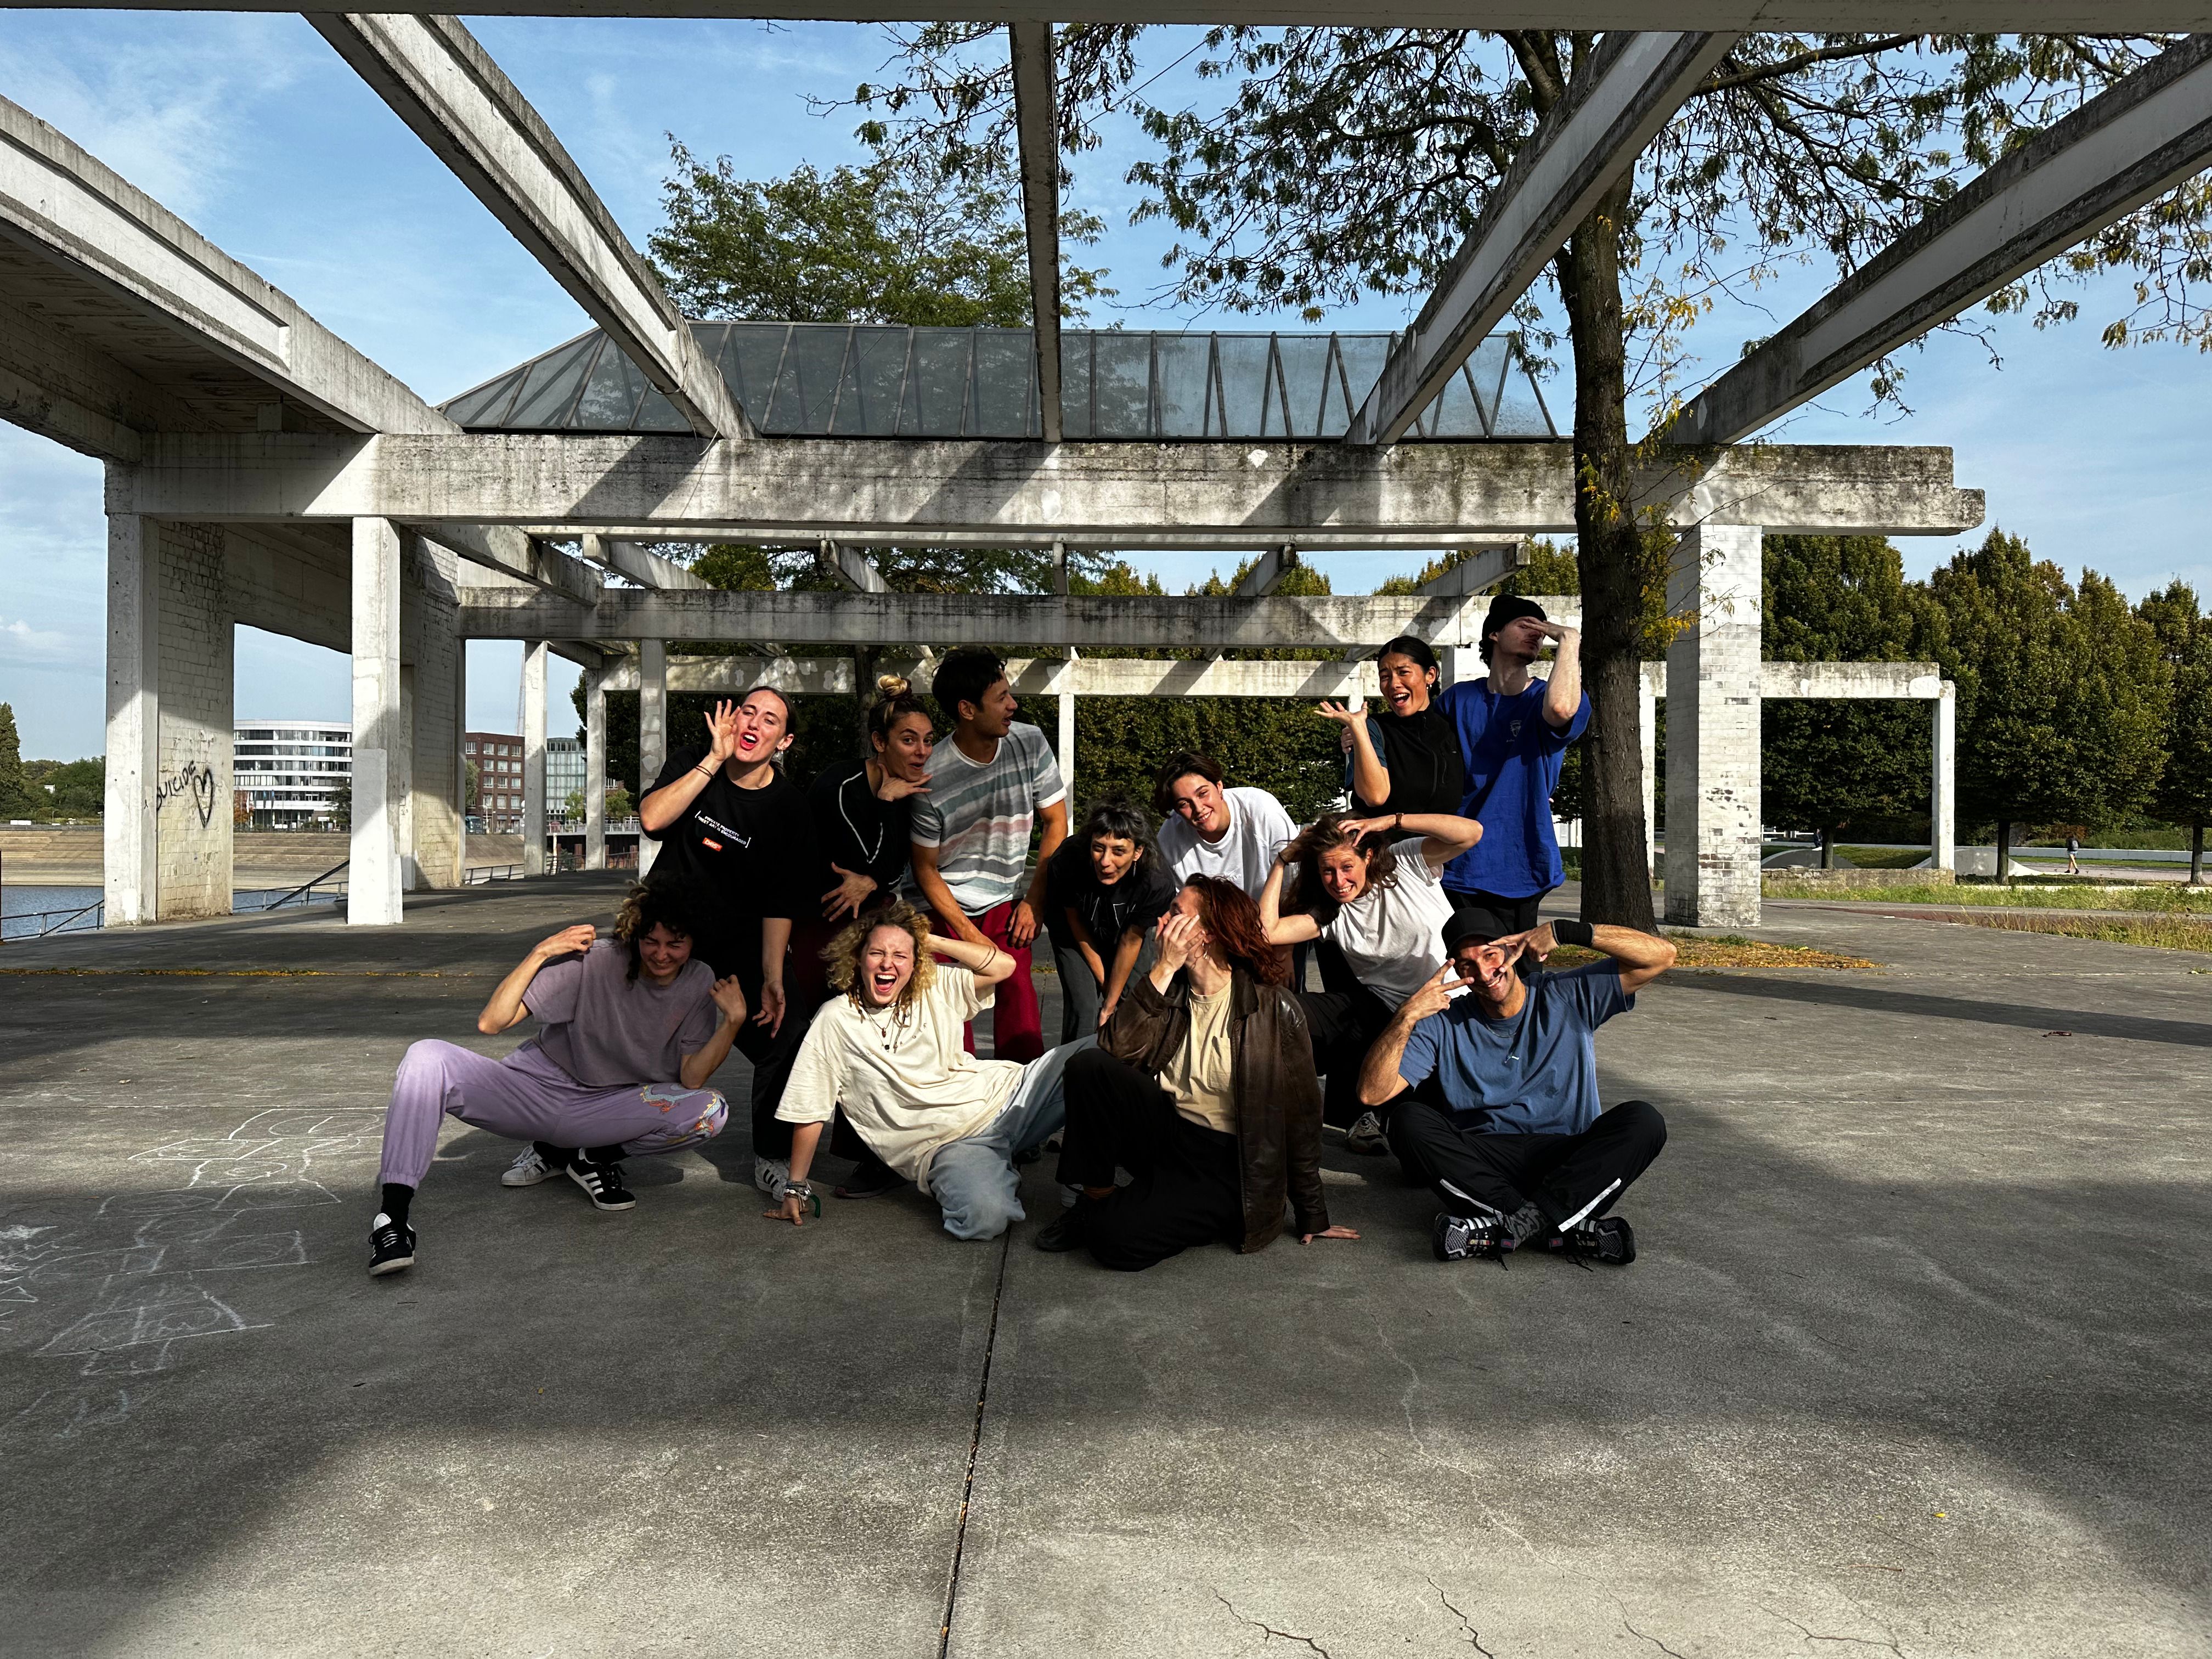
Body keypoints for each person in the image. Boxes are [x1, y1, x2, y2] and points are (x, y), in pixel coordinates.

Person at [366, 884, 746, 1277]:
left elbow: (692, 1077)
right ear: (635, 935)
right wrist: (541, 952)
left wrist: (733, 1022)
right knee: (427, 1055)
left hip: (606, 1110)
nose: (661, 954)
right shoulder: (597, 961)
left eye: (675, 944)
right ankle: (392, 1220)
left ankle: (588, 1157)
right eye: (651, 941)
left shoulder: (699, 980)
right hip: (533, 1092)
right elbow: (492, 1022)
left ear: (694, 943)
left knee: (709, 1110)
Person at [1035, 875, 1358, 1271]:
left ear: (1208, 934)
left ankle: (1167, 1210)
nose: (1162, 920)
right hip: (1168, 1134)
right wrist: (1163, 968)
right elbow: (1114, 1048)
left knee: (1114, 1240)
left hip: (1226, 1162)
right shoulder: (1168, 991)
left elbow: (1302, 1117)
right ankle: (1095, 1199)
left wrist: (1312, 1213)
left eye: (1175, 913)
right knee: (1089, 1067)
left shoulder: (1274, 1009)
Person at [1359, 907, 1675, 1266]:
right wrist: (1406, 1016)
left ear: (1511, 950)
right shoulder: (1444, 1023)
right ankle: (1560, 1226)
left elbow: (1662, 956)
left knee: (1644, 1120)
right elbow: (1372, 1093)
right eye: (1467, 965)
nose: (1483, 973)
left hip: (1567, 1158)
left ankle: (1504, 1226)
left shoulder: (1567, 994)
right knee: (1407, 1120)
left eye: (1490, 955)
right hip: (1486, 1164)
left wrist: (1566, 931)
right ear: (1457, 971)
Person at [767, 902, 1091, 1241]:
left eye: (900, 956)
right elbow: (809, 1107)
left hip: (1010, 1096)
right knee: (984, 1218)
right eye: (877, 953)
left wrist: (927, 940)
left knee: (1101, 1051)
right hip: (947, 1146)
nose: (888, 963)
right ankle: (994, 1169)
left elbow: (1004, 966)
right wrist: (795, 1187)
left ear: (916, 962)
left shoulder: (934, 984)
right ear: (857, 958)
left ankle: (1097, 1182)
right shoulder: (835, 1019)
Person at [637, 687, 812, 1203]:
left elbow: (781, 899)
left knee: (787, 1032)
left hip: (737, 941)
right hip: (666, 929)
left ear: (784, 741)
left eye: (770, 719)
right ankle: (561, 1144)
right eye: (747, 712)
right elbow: (653, 819)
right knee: (613, 1023)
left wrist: (774, 976)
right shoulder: (695, 760)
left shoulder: (789, 807)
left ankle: (772, 1157)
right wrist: (713, 761)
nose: (754, 723)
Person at [1259, 810, 1482, 1151]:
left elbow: (1471, 833)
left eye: (1347, 867)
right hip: (1387, 1014)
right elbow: (1268, 932)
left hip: (1453, 1011)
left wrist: (1391, 821)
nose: (1338, 881)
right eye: (1328, 871)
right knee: (1278, 1009)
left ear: (1368, 856)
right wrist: (1281, 861)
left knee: (1426, 1130)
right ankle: (1288, 1110)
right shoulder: (1330, 913)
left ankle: (1390, 1111)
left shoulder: (1405, 863)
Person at [804, 673, 936, 1200]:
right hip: (821, 923)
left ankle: (876, 1155)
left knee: (878, 1037)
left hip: (872, 923)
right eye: (909, 740)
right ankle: (786, 1149)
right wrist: (884, 805)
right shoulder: (838, 785)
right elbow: (857, 861)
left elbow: (890, 868)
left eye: (927, 740)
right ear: (880, 742)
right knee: (817, 1035)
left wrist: (875, 878)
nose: (921, 751)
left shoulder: (908, 789)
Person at [909, 647, 1069, 1066]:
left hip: (1003, 901)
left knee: (1020, 1003)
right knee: (948, 1010)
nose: (1013, 705)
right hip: (940, 906)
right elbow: (925, 869)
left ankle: (1026, 1099)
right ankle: (957, 1099)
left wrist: (1034, 902)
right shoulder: (931, 775)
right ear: (967, 710)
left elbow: (1057, 822)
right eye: (1001, 698)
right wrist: (970, 937)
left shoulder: (1029, 742)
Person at [1436, 595, 1589, 931]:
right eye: (1525, 625)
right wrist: (1361, 738)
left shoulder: (1546, 697)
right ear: (1494, 634)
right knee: (1461, 960)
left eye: (1542, 629)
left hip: (1521, 861)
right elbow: (1420, 754)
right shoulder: (1457, 699)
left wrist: (1569, 639)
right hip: (1458, 860)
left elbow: (1561, 710)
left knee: (1516, 963)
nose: (1537, 633)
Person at [1045, 798, 1178, 1042]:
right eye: (1098, 848)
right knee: (1084, 1007)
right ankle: (1074, 1062)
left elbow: (1131, 940)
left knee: (1133, 1000)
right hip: (1075, 933)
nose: (1105, 862)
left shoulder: (1156, 880)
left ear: (1137, 852)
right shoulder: (1067, 862)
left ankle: (1128, 1061)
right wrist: (1106, 987)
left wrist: (1110, 1005)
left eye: (1119, 851)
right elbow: (1076, 924)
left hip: (1130, 933)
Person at [1317, 634, 1468, 828]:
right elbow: (1375, 796)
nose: (1394, 684)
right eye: (1385, 677)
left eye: (1403, 672)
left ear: (1430, 675)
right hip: (1382, 846)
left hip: (1440, 846)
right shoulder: (1372, 728)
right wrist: (1358, 730)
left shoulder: (1454, 728)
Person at [1153, 752, 1297, 901]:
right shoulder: (1168, 841)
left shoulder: (1262, 810)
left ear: (1219, 786)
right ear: (1177, 811)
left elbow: (1297, 881)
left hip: (1279, 912)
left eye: (1203, 794)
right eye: (1184, 804)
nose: (1198, 808)